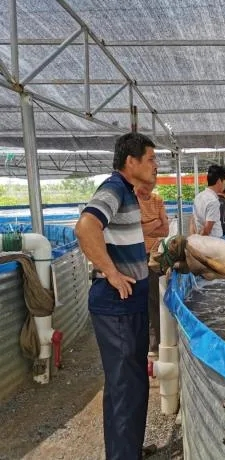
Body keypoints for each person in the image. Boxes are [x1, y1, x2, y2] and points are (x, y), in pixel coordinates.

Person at [74, 132, 158, 459]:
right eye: (150, 159)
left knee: (129, 384)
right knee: (126, 386)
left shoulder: (127, 192)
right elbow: (85, 227)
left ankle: (127, 450)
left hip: (128, 303)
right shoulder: (113, 189)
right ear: (131, 161)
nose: (155, 165)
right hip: (117, 305)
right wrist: (110, 271)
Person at [135, 180, 169, 356]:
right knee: (136, 301)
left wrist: (145, 227)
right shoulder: (131, 200)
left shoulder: (157, 200)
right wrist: (156, 222)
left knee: (154, 301)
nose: (148, 187)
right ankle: (140, 342)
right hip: (134, 257)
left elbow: (165, 231)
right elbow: (135, 230)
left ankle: (155, 344)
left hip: (153, 257)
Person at [191, 164, 225, 237]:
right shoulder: (213, 201)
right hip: (213, 241)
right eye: (224, 181)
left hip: (200, 239)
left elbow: (192, 220)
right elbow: (207, 230)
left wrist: (194, 238)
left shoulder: (198, 196)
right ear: (219, 181)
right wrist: (200, 240)